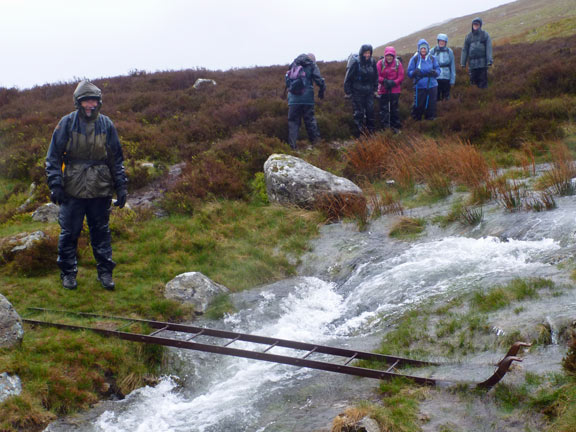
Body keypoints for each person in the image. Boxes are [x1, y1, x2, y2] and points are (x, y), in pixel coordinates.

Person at [45, 80, 128, 291]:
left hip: (100, 187)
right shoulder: (66, 123)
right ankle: (68, 274)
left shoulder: (107, 124)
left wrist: (121, 186)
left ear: (99, 102)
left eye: (93, 100)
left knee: (101, 233)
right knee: (70, 233)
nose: (90, 105)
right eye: (86, 101)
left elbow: (116, 158)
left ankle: (105, 273)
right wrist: (56, 185)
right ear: (78, 102)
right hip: (72, 187)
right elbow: (53, 157)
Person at [285, 53, 326, 150]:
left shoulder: (293, 64)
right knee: (310, 121)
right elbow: (319, 79)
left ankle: (292, 147)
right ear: (313, 60)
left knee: (293, 122)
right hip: (307, 99)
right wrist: (322, 89)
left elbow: (288, 81)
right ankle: (317, 145)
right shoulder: (312, 64)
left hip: (293, 99)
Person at [344, 44, 378, 136]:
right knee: (359, 113)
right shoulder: (356, 63)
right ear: (361, 53)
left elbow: (375, 76)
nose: (367, 55)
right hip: (357, 92)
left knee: (370, 112)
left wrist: (375, 89)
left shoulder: (372, 62)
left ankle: (370, 133)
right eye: (365, 53)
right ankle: (360, 134)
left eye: (369, 53)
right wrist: (348, 92)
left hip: (369, 92)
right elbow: (348, 78)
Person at [407, 39, 441, 121]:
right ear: (419, 49)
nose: (423, 50)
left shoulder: (432, 58)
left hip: (432, 85)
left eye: (425, 48)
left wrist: (435, 72)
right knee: (419, 104)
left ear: (427, 49)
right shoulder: (414, 59)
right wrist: (414, 72)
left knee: (431, 104)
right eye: (421, 48)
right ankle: (416, 121)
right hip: (420, 86)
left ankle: (430, 120)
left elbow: (438, 69)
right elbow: (409, 72)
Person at [376, 46, 404, 132]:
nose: (389, 57)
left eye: (391, 55)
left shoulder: (398, 63)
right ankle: (385, 128)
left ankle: (395, 127)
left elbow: (401, 76)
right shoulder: (380, 63)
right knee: (384, 109)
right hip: (383, 89)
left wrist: (394, 82)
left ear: (394, 56)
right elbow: (376, 76)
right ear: (385, 55)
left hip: (395, 90)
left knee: (394, 109)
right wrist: (384, 81)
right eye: (387, 55)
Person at [461, 17, 493, 89]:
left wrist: (489, 60)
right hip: (472, 65)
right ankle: (475, 97)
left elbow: (489, 48)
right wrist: (463, 62)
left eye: (477, 24)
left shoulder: (485, 35)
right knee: (473, 83)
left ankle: (483, 96)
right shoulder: (468, 37)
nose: (475, 26)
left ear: (480, 25)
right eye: (474, 24)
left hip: (483, 64)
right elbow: (465, 50)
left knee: (483, 82)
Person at [430, 34, 455, 101]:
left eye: (443, 41)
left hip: (446, 78)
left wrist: (452, 80)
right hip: (436, 78)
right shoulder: (433, 51)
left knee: (446, 97)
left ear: (446, 42)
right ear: (438, 41)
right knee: (436, 97)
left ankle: (446, 109)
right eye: (440, 41)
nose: (441, 42)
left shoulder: (449, 51)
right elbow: (428, 64)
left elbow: (452, 66)